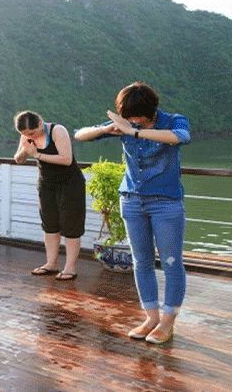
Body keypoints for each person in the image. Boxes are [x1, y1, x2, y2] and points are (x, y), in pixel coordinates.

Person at [74, 82, 190, 344]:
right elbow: (80, 134)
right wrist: (107, 129)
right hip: (132, 201)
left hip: (166, 202)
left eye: (135, 117)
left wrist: (135, 133)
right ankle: (150, 318)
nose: (131, 121)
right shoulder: (126, 123)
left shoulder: (173, 121)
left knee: (171, 262)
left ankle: (167, 322)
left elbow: (179, 137)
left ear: (150, 111)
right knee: (141, 261)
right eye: (127, 117)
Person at [14, 111, 86, 281]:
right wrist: (25, 151)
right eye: (24, 134)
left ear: (40, 124)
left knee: (71, 225)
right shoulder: (26, 134)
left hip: (69, 183)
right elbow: (18, 159)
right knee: (50, 224)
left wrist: (36, 154)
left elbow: (66, 159)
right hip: (46, 184)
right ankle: (51, 264)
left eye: (31, 133)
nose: (29, 136)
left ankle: (70, 268)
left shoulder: (57, 131)